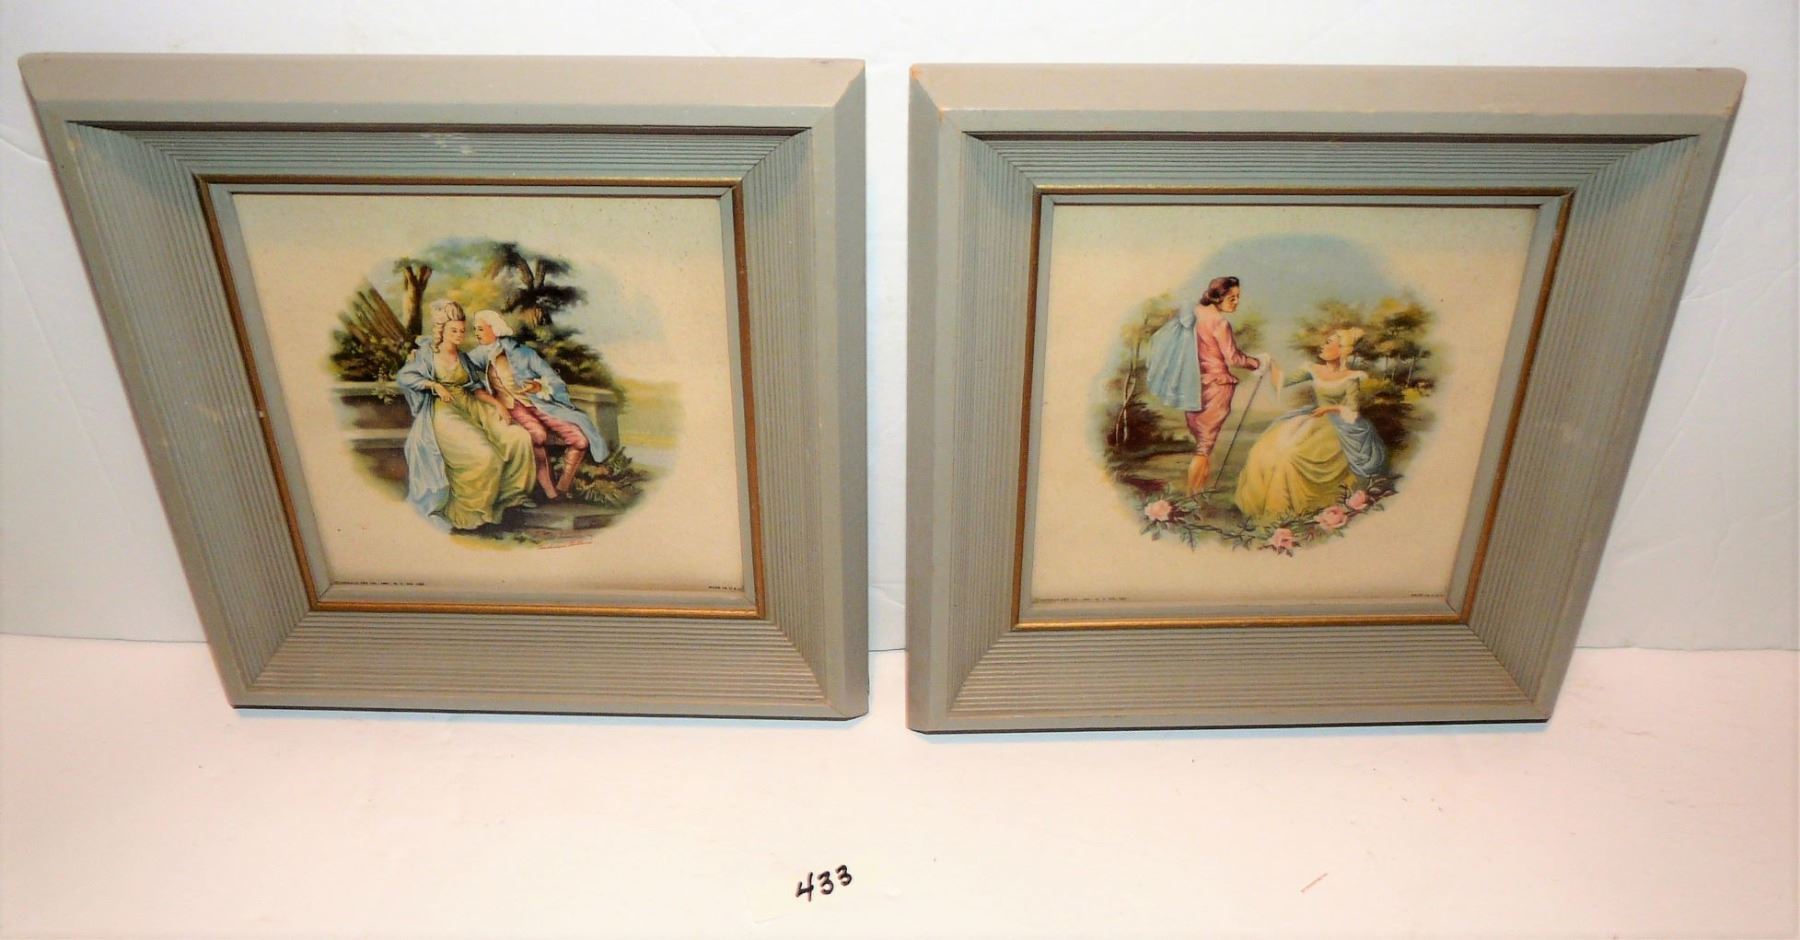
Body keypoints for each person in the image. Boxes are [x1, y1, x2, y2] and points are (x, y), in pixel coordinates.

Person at [395, 300, 536, 530]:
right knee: (485, 456)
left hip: (471, 406)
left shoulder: (463, 358)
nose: (459, 335)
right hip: (444, 412)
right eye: (454, 331)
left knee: (519, 438)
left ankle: (510, 499)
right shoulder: (427, 355)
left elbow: (476, 388)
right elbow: (405, 377)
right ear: (442, 331)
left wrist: (498, 405)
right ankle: (473, 514)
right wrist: (434, 385)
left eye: (462, 330)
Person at [1232, 326, 1389, 524]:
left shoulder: (1351, 377)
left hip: (1338, 426)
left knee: (1291, 457)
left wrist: (1329, 409)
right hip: (1312, 419)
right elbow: (1283, 382)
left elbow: (1352, 409)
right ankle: (1261, 508)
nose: (1323, 346)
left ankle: (1288, 511)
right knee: (1263, 449)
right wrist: (1271, 364)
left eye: (1329, 343)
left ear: (1341, 351)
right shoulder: (1313, 369)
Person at [466, 309, 610, 500]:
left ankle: (563, 487)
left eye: (480, 329)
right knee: (538, 436)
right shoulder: (479, 354)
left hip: (539, 404)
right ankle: (551, 493)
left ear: (494, 329)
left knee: (581, 441)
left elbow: (553, 379)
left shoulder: (524, 353)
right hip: (511, 407)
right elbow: (460, 369)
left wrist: (537, 386)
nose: (477, 333)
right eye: (475, 329)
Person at [1144, 276, 1264, 494]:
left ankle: (1195, 494)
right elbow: (1234, 359)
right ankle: (1194, 496)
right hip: (1216, 388)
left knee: (1201, 444)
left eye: (1238, 297)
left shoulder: (1192, 314)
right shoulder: (1220, 323)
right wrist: (1257, 363)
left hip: (1193, 388)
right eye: (1232, 298)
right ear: (1218, 298)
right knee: (1204, 448)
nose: (1236, 302)